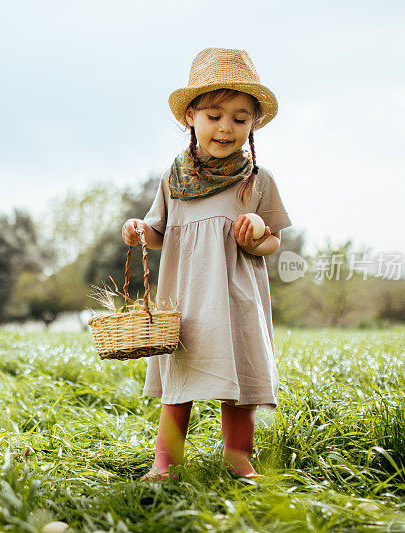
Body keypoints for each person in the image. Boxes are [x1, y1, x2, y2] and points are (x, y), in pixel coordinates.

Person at [121, 48, 292, 481]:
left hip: (235, 298)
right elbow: (162, 234)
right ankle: (166, 461)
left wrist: (257, 233)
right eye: (214, 115)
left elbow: (273, 241)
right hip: (185, 299)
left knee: (239, 379)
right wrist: (141, 228)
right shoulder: (174, 179)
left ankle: (238, 457)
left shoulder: (257, 179)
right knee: (179, 379)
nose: (226, 127)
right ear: (190, 118)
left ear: (253, 124)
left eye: (240, 118)